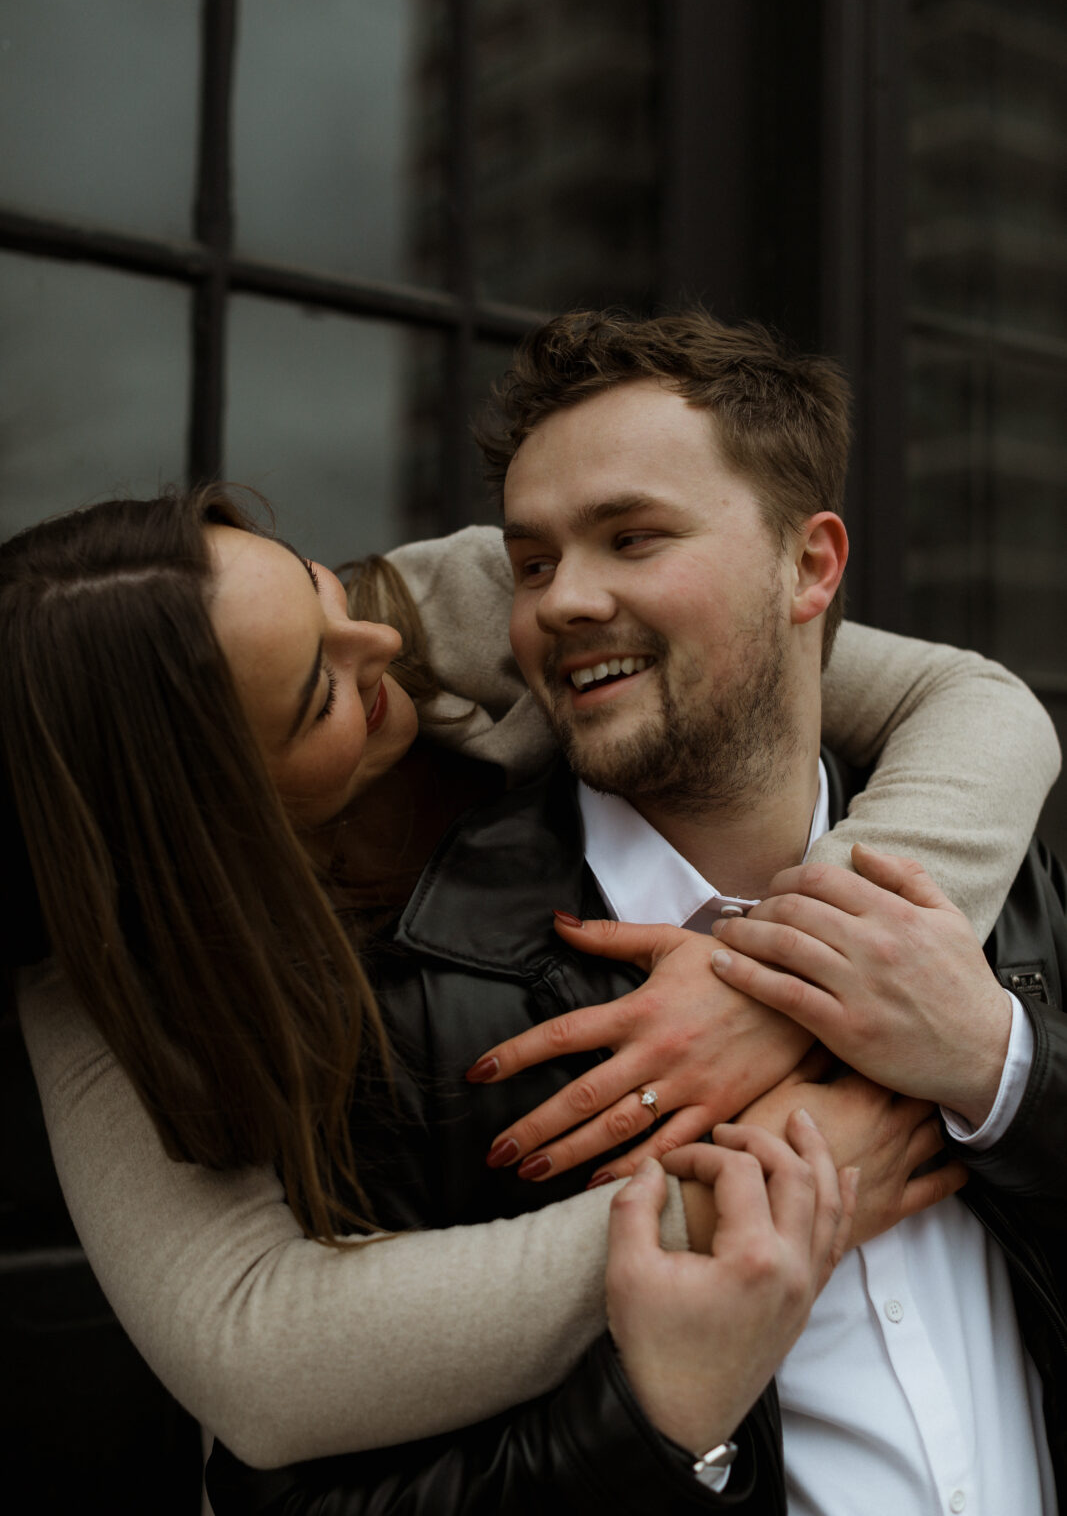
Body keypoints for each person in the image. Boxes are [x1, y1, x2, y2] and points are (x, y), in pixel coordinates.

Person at [203, 311, 1067, 1514]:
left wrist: (1005, 1073)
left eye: (630, 536)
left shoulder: (1002, 870)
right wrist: (664, 1424)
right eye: (534, 562)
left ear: (809, 567)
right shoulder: (414, 1006)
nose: (561, 601)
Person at [13, 512, 1058, 1477]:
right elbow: (259, 1352)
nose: (376, 647)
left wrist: (779, 978)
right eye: (319, 693)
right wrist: (727, 1199)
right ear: (203, 818)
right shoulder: (100, 981)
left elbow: (975, 705)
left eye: (319, 588)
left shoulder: (465, 599)